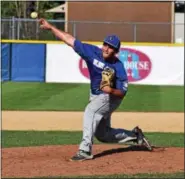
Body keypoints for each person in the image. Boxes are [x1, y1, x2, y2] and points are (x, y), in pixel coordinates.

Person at [39, 18, 153, 161]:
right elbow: (69, 39)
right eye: (105, 44)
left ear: (116, 51)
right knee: (103, 134)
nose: (106, 48)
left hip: (110, 98)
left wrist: (110, 90)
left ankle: (85, 150)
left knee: (90, 111)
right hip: (96, 95)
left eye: (110, 47)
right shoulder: (92, 52)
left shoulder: (118, 67)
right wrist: (50, 28)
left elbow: (123, 92)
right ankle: (135, 136)